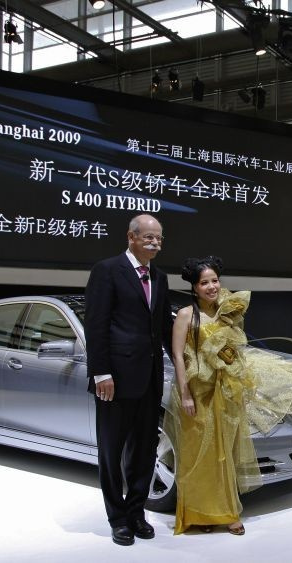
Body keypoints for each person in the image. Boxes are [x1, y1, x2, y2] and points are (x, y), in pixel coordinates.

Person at [165, 257, 292, 536]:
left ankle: (227, 512)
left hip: (226, 391)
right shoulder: (186, 315)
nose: (211, 286)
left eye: (214, 281)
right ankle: (201, 514)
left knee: (225, 454)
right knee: (200, 455)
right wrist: (185, 394)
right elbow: (178, 356)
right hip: (198, 392)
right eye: (204, 282)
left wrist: (240, 383)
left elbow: (236, 352)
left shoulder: (227, 311)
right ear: (194, 287)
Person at [85, 214, 173, 546]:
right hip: (115, 380)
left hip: (149, 379)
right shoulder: (107, 270)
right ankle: (117, 518)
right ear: (131, 237)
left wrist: (189, 363)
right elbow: (96, 324)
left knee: (145, 451)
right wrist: (101, 372)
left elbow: (164, 328)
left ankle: (137, 512)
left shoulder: (160, 277)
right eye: (149, 237)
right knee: (111, 451)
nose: (155, 242)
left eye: (159, 238)